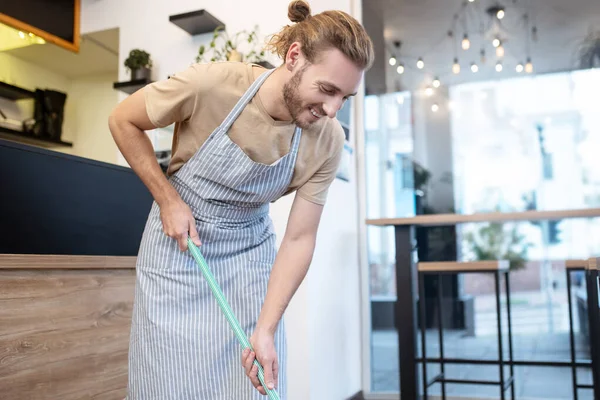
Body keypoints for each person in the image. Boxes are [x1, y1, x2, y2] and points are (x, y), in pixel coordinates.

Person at [108, 1, 374, 398]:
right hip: (180, 250)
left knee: (248, 384)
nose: (332, 109)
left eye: (345, 98)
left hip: (249, 255)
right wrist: (168, 199)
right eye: (327, 90)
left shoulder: (328, 139)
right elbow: (122, 119)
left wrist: (266, 328)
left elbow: (300, 238)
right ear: (294, 57)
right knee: (166, 384)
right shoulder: (212, 85)